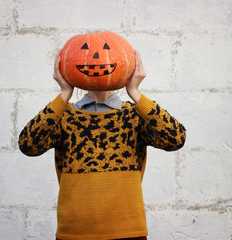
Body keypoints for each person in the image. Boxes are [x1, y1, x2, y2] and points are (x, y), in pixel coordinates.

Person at [19, 49, 186, 240]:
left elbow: (176, 138)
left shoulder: (135, 115)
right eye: (87, 53)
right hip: (74, 232)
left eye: (107, 51)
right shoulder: (63, 116)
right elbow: (28, 145)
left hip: (129, 230)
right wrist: (64, 93)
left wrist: (135, 92)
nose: (98, 59)